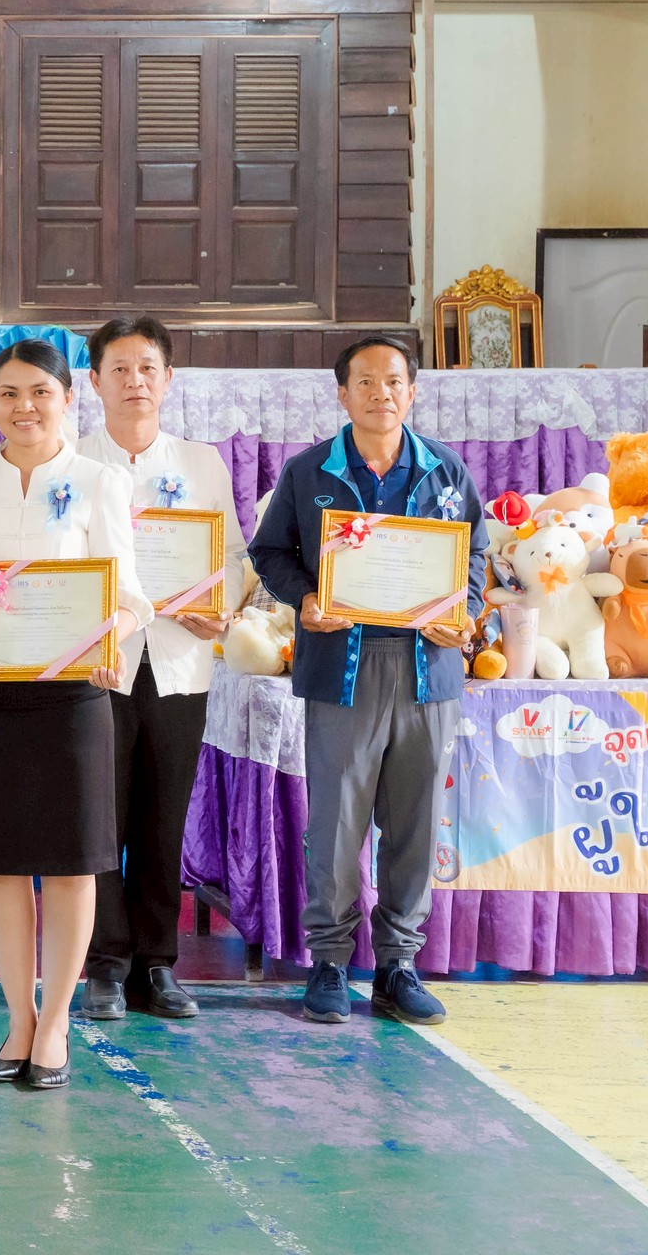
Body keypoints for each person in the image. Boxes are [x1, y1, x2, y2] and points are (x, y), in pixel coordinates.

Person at [0, 339, 149, 1091]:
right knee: (4, 866)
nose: (24, 407)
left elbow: (129, 596)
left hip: (74, 698)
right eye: (8, 393)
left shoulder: (100, 481)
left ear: (68, 398)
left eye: (40, 391)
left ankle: (57, 1023)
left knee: (73, 866)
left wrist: (110, 641)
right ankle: (18, 1017)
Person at [250, 334, 483, 1028]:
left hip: (426, 672)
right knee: (335, 824)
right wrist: (306, 599)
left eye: (394, 381)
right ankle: (328, 961)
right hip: (341, 670)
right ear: (342, 393)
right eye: (366, 382)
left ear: (412, 390)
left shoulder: (445, 469)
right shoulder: (309, 471)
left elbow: (475, 555)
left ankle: (397, 965)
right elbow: (271, 551)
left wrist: (464, 611)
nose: (381, 393)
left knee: (414, 824)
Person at [77, 315, 243, 1023]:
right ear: (94, 382)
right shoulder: (69, 462)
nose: (134, 381)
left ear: (168, 379)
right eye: (119, 369)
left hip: (178, 661)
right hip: (97, 668)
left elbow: (232, 557)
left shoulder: (201, 464)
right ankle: (104, 964)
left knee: (161, 819)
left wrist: (222, 608)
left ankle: (157, 963)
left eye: (147, 368)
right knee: (98, 818)